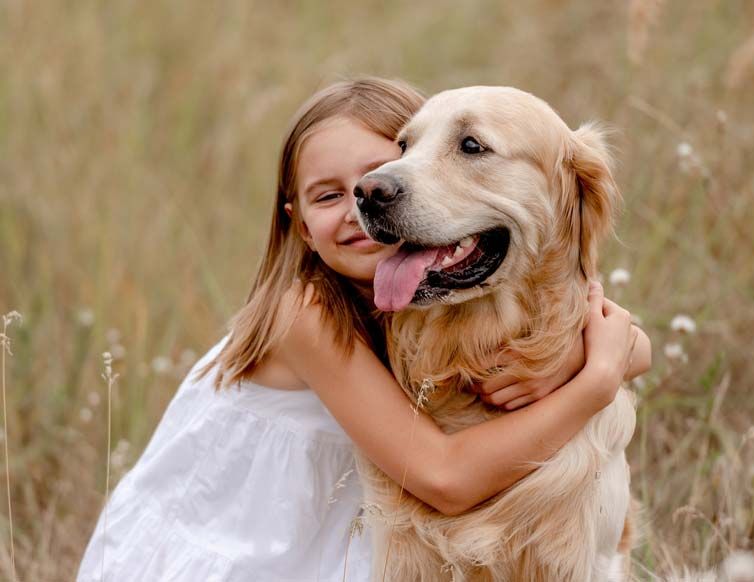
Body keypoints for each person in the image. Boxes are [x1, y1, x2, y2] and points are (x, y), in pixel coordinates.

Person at [77, 77, 651, 582]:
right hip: (242, 555)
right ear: (298, 225)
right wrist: (594, 382)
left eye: (470, 147)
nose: (373, 194)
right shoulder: (307, 313)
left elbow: (620, 333)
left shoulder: (420, 288)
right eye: (330, 195)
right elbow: (443, 476)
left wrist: (601, 355)